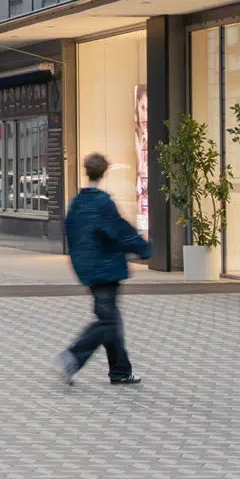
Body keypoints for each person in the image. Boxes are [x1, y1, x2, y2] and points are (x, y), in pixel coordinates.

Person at [58, 152, 152, 387]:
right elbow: (119, 230)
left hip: (87, 269)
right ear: (104, 172)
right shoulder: (102, 203)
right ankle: (73, 356)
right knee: (108, 322)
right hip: (105, 270)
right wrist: (144, 248)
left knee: (111, 320)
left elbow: (72, 234)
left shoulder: (76, 203)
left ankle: (120, 371)